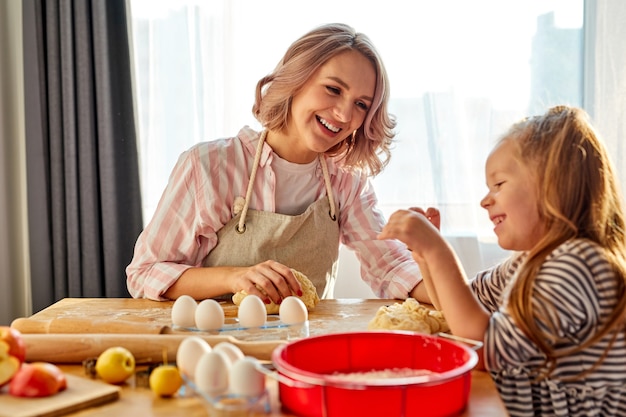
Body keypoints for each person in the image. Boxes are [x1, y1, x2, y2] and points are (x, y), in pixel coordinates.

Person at [126, 23, 435, 304]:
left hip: (306, 353)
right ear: (296, 79)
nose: (343, 114)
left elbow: (391, 268)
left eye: (361, 104)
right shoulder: (210, 166)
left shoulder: (347, 181)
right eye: (333, 89)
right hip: (218, 348)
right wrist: (235, 277)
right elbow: (145, 272)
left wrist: (433, 258)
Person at [379, 105, 626, 416]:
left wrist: (439, 251)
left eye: (498, 185)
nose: (485, 200)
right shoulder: (530, 260)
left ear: (551, 186)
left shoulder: (578, 265)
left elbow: (484, 348)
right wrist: (424, 255)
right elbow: (456, 308)